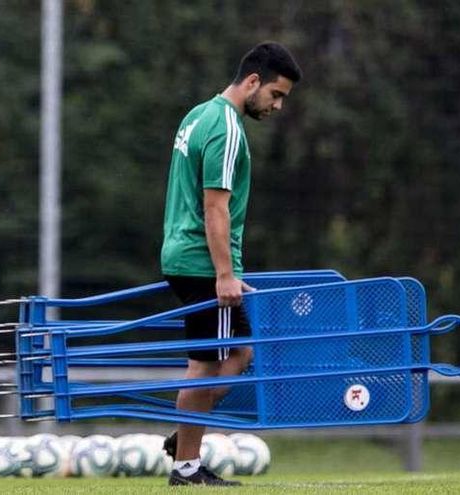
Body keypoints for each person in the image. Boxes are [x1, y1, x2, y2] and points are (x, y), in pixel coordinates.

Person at [160, 42, 302, 486]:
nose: (277, 106)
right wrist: (225, 274)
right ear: (253, 81)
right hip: (202, 263)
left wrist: (230, 272)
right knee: (208, 363)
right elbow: (214, 207)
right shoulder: (226, 127)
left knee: (235, 352)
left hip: (185, 256)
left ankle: (185, 440)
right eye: (276, 95)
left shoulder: (198, 114)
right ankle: (186, 463)